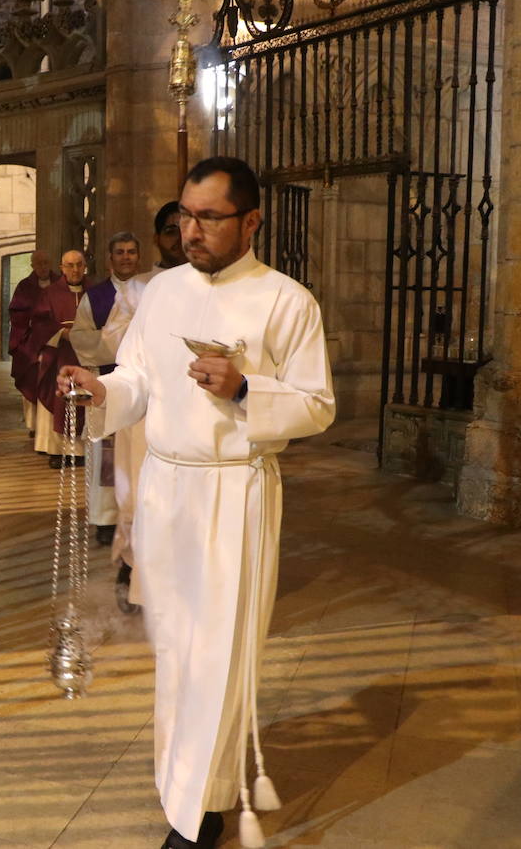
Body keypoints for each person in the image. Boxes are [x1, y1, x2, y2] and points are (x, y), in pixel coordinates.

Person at [58, 157, 335, 849]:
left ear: (252, 221)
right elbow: (141, 380)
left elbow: (318, 406)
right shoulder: (162, 293)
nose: (192, 230)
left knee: (218, 651)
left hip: (234, 490)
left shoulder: (287, 301)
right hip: (167, 488)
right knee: (176, 649)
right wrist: (101, 392)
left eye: (209, 217)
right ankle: (188, 789)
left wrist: (245, 389)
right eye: (185, 215)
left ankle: (197, 817)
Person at [102, 201, 187, 608]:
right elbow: (114, 343)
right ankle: (134, 570)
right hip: (144, 409)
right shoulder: (138, 288)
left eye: (184, 227)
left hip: (191, 414)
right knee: (138, 494)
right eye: (169, 230)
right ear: (157, 238)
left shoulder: (215, 287)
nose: (179, 237)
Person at [68, 232, 140, 546]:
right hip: (107, 385)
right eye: (120, 252)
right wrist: (118, 343)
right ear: (110, 259)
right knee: (107, 456)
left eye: (132, 252)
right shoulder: (94, 297)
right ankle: (106, 519)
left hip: (145, 390)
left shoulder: (153, 292)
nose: (126, 257)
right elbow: (81, 338)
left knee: (139, 454)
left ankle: (139, 517)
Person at [27, 249, 92, 468]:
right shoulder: (50, 293)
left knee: (87, 398)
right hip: (59, 353)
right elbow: (39, 322)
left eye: (79, 264)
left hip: (89, 355)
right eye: (70, 265)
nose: (75, 269)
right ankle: (58, 450)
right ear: (62, 267)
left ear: (85, 266)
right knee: (58, 397)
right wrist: (61, 333)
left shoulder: (95, 291)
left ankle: (85, 451)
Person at [7, 249, 53, 435]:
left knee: (52, 383)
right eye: (38, 263)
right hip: (31, 342)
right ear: (32, 265)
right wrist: (34, 319)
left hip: (54, 342)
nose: (42, 267)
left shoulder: (59, 283)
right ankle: (34, 424)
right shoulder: (24, 286)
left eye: (45, 263)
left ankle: (51, 424)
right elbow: (15, 313)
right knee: (31, 379)